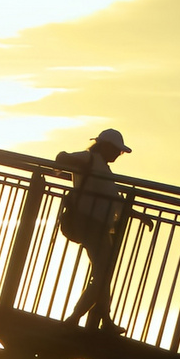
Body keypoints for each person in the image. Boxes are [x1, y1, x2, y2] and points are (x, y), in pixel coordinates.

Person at [56, 128, 135, 335]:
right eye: (117, 150)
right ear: (105, 146)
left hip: (98, 226)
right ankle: (75, 318)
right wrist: (71, 169)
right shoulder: (89, 159)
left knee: (103, 274)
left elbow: (111, 198)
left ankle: (104, 319)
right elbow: (62, 157)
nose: (119, 155)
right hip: (91, 225)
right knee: (102, 275)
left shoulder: (102, 167)